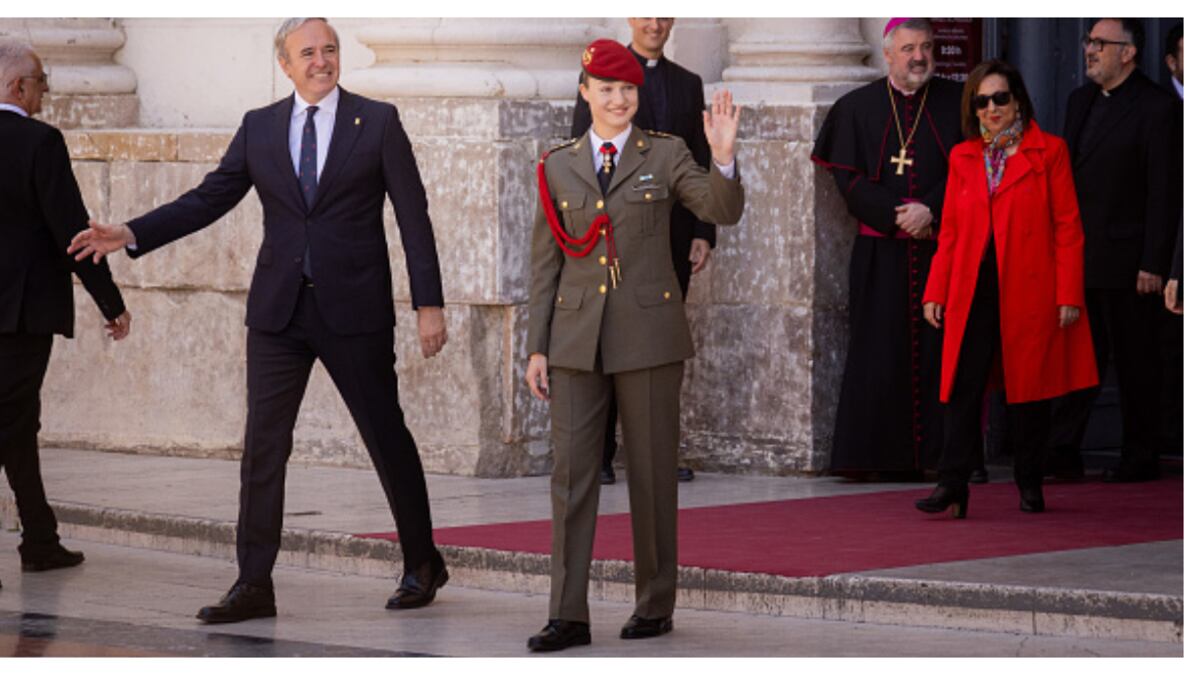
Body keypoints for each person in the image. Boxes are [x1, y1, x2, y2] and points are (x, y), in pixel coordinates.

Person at [67, 18, 450, 622]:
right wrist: (133, 231)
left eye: (329, 50)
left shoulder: (376, 122)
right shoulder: (261, 127)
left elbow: (414, 216)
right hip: (279, 313)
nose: (321, 61)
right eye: (308, 53)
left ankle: (422, 562)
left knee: (386, 436)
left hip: (354, 311)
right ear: (286, 64)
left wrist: (430, 303)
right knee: (264, 449)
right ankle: (253, 584)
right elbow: (208, 197)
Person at [523, 39, 743, 652]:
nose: (619, 99)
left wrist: (722, 157)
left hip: (647, 335)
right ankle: (567, 613)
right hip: (574, 338)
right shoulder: (557, 163)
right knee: (570, 478)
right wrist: (536, 346)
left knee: (650, 473)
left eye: (627, 89)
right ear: (584, 91)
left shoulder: (666, 154)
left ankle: (654, 603)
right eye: (606, 87)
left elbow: (719, 210)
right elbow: (545, 266)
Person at [916, 60, 1098, 517]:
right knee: (961, 388)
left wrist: (1068, 295)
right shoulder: (963, 156)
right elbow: (951, 232)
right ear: (973, 109)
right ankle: (952, 484)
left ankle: (1030, 481)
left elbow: (1068, 227)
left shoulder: (1049, 151)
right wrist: (935, 290)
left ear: (1017, 100)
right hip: (971, 287)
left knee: (1029, 392)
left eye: (1000, 98)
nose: (992, 108)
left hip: (1030, 288)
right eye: (982, 101)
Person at [811, 18, 975, 481]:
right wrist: (898, 213)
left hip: (942, 252)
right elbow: (849, 180)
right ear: (888, 54)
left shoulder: (958, 103)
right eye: (908, 49)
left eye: (926, 47)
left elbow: (970, 171)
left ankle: (949, 456)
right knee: (877, 353)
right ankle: (874, 457)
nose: (918, 56)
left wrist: (932, 210)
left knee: (945, 353)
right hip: (880, 253)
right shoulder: (856, 107)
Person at [0, 40, 132, 587]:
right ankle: (40, 538)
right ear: (17, 86)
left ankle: (41, 538)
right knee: (9, 421)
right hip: (22, 313)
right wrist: (111, 301)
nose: (45, 94)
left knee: (17, 424)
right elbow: (72, 231)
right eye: (41, 83)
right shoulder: (40, 141)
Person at [570, 18, 710, 486]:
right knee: (609, 338)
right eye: (646, 13)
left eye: (664, 13)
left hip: (670, 238)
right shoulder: (602, 75)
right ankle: (603, 452)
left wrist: (702, 230)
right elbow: (581, 155)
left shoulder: (688, 84)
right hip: (616, 235)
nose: (655, 22)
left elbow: (701, 158)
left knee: (658, 346)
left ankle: (656, 451)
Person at [1050, 19, 1180, 483]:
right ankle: (1063, 451)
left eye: (1100, 43)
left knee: (1136, 362)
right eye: (1088, 41)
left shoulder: (1159, 108)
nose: (1089, 50)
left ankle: (1139, 455)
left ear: (1127, 53)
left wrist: (1154, 262)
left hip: (1130, 262)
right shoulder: (1079, 100)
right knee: (1075, 357)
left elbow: (1164, 192)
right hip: (1080, 256)